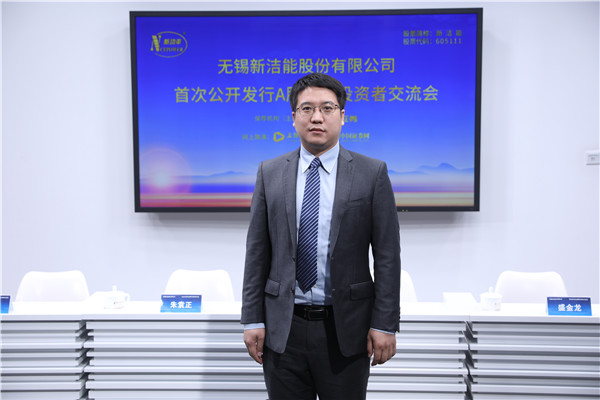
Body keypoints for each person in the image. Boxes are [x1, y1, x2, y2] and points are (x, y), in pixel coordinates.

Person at [242, 72, 401, 400]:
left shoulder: (372, 173)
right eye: (307, 109)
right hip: (283, 328)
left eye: (327, 108)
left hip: (346, 328)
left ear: (342, 116)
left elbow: (387, 255)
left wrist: (384, 323)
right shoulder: (270, 172)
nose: (317, 117)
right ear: (293, 117)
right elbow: (257, 252)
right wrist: (252, 319)